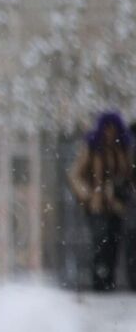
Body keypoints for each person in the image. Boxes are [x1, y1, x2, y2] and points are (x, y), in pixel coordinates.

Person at [68, 111, 134, 293]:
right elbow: (75, 175)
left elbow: (128, 175)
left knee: (114, 242)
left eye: (113, 130)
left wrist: (122, 190)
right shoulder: (92, 149)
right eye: (107, 129)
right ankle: (100, 281)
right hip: (97, 205)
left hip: (117, 205)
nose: (110, 133)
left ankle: (108, 281)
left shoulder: (123, 150)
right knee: (100, 241)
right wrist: (88, 194)